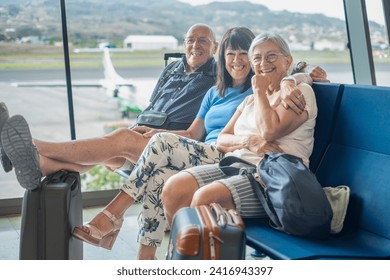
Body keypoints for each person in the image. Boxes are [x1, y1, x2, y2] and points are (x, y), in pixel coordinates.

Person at [65, 27, 321, 260]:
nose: (239, 60)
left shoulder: (270, 90)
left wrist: (295, 78)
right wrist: (248, 139)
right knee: (161, 178)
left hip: (247, 165)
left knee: (160, 142)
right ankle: (149, 260)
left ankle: (112, 216)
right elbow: (201, 133)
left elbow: (288, 87)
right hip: (227, 154)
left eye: (245, 54)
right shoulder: (221, 93)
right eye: (232, 54)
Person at [162, 32, 318, 233]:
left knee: (205, 198)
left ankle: (204, 256)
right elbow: (222, 139)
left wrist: (263, 91)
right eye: (258, 58)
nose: (264, 63)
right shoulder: (250, 100)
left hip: (271, 177)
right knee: (174, 187)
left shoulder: (299, 93)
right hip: (236, 165)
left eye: (271, 56)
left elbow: (269, 131)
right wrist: (249, 141)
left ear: (287, 60)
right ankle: (182, 254)